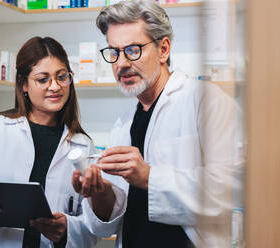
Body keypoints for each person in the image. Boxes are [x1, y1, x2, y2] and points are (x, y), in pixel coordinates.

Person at [72, 1, 243, 247]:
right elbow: (111, 221)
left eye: (132, 50)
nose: (121, 64)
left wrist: (150, 177)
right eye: (114, 52)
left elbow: (233, 186)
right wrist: (101, 193)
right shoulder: (124, 124)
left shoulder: (206, 100)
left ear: (163, 49)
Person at [0, 36, 98, 248]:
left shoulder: (82, 145)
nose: (55, 86)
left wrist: (66, 230)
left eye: (62, 77)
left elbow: (92, 222)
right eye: (43, 79)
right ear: (23, 84)